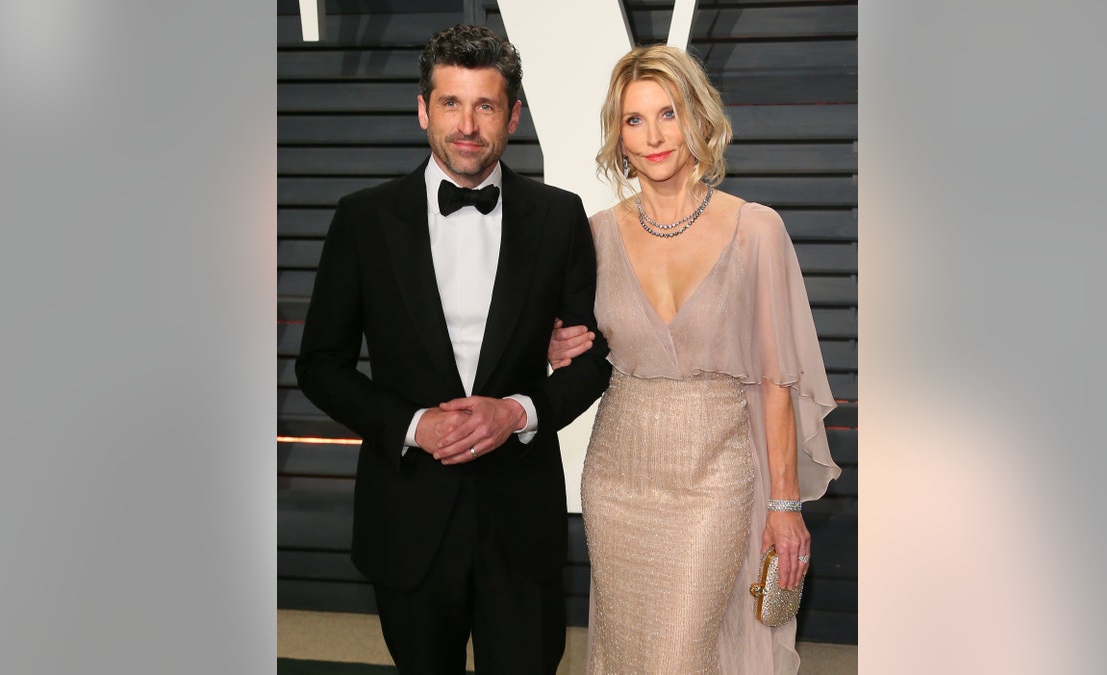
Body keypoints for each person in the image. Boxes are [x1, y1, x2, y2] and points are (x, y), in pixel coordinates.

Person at [295, 24, 611, 674]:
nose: (467, 125)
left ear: (513, 115)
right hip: (407, 517)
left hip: (521, 521)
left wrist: (518, 410)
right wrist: (413, 423)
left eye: (486, 105)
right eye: (450, 103)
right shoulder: (362, 219)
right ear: (422, 109)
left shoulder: (559, 217)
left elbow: (590, 362)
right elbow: (319, 365)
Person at [548, 45, 841, 673]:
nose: (653, 136)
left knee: (683, 654)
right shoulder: (594, 233)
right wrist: (556, 345)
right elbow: (576, 344)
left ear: (699, 122)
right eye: (634, 120)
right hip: (618, 476)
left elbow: (776, 381)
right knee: (628, 653)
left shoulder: (755, 229)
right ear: (617, 136)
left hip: (714, 475)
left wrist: (785, 507)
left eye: (668, 114)